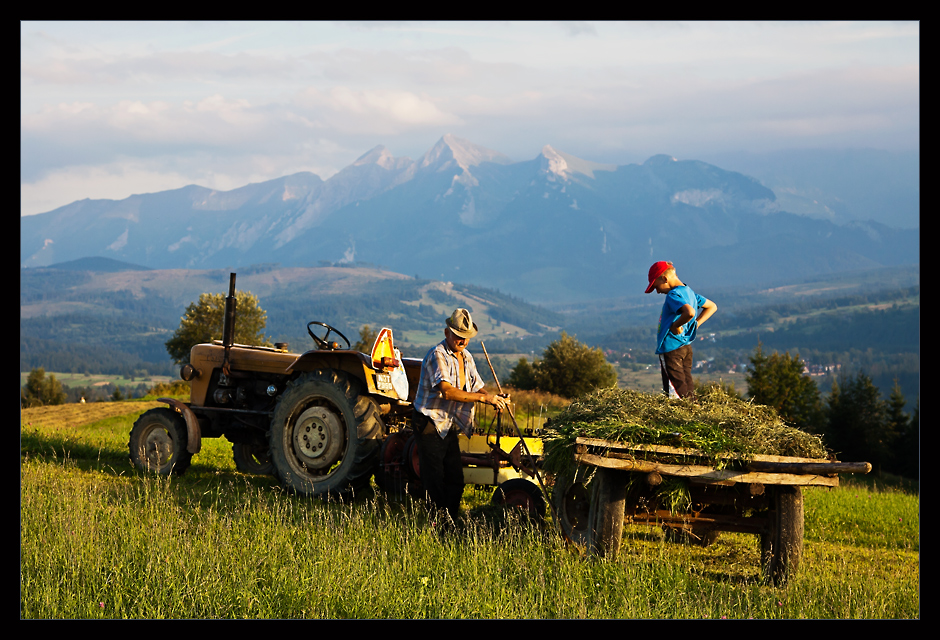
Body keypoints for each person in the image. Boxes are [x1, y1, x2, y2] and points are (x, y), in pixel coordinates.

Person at [413, 308, 509, 523]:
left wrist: (494, 398)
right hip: (429, 421)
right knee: (434, 478)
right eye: (458, 335)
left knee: (455, 477)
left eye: (466, 337)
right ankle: (436, 524)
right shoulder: (437, 354)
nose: (462, 340)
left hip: (448, 423)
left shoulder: (466, 357)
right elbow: (447, 391)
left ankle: (451, 520)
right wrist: (485, 399)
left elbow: (477, 387)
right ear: (447, 332)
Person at [645, 261, 717, 400]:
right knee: (686, 383)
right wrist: (695, 325)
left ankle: (682, 414)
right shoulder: (689, 292)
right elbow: (712, 306)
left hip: (671, 348)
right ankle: (693, 407)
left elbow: (689, 312)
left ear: (664, 279)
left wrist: (676, 325)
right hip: (685, 347)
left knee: (675, 390)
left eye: (656, 286)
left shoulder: (673, 295)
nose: (658, 291)